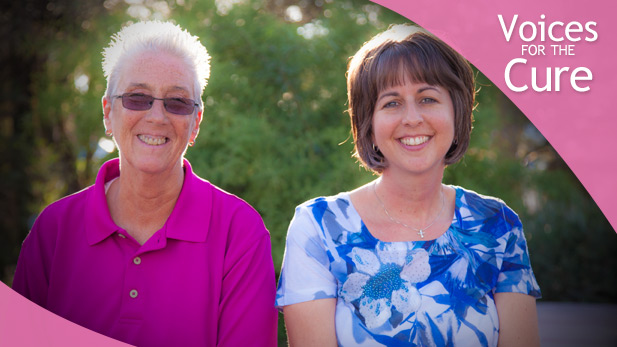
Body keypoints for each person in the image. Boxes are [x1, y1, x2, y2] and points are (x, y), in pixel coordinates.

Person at [13, 21, 278, 346]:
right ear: (108, 112)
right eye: (137, 98)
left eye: (177, 102)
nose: (157, 116)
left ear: (195, 123)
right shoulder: (54, 229)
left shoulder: (239, 232)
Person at [275, 24, 541, 346]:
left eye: (428, 98)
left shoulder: (497, 225)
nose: (412, 118)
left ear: (457, 114)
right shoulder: (319, 228)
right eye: (391, 103)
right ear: (368, 125)